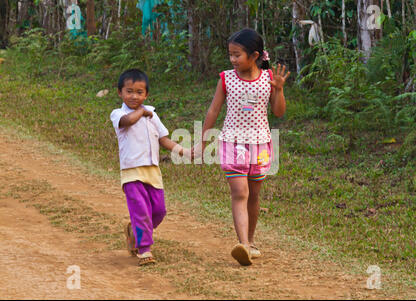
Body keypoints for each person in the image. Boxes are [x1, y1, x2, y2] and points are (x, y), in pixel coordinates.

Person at [197, 28, 290, 266]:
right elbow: (213, 110)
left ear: (255, 54)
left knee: (254, 196)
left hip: (260, 144)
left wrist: (278, 89)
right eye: (230, 55)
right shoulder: (226, 78)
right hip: (232, 143)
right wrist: (203, 140)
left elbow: (278, 112)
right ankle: (243, 246)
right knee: (240, 193)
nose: (233, 60)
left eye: (237, 54)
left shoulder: (268, 80)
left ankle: (250, 240)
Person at [110, 69, 189, 266]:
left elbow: (163, 139)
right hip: (131, 172)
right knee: (140, 211)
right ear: (120, 93)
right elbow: (127, 121)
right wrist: (141, 112)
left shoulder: (152, 115)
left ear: (146, 94)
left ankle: (135, 232)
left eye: (139, 92)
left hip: (153, 171)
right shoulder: (118, 114)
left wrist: (182, 151)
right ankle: (144, 249)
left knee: (159, 211)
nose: (134, 96)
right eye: (129, 91)